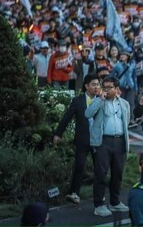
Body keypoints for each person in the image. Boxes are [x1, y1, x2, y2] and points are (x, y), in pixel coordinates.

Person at [85, 76, 131, 217]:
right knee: (101, 173)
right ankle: (99, 205)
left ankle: (115, 202)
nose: (106, 90)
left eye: (110, 87)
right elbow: (88, 114)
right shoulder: (99, 101)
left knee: (117, 173)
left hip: (120, 141)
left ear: (117, 89)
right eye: (104, 87)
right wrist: (100, 100)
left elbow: (127, 121)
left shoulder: (124, 103)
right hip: (103, 141)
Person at [53, 73, 100, 205]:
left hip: (98, 140)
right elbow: (67, 118)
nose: (96, 87)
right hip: (83, 139)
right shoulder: (78, 101)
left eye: (98, 84)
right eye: (93, 84)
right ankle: (74, 193)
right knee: (79, 166)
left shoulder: (101, 100)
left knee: (99, 168)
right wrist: (58, 134)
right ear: (86, 86)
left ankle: (99, 194)